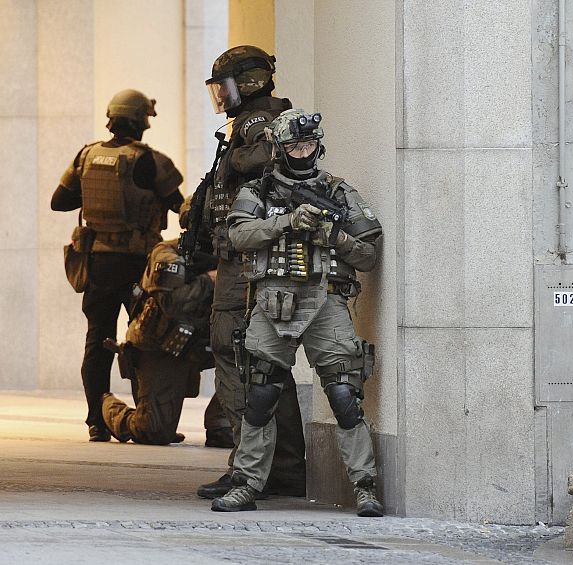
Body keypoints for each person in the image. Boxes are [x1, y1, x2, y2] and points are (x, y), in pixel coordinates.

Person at [212, 109, 384, 517]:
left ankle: (364, 486)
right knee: (260, 394)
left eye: (308, 145)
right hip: (273, 302)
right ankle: (247, 483)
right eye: (294, 146)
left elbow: (369, 255)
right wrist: (287, 222)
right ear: (280, 149)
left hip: (326, 301)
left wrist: (331, 235)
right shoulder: (259, 191)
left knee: (344, 393)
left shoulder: (338, 192)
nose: (303, 152)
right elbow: (238, 234)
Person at [195, 46, 306, 499]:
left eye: (227, 85)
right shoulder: (257, 123)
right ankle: (282, 467)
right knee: (263, 362)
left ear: (251, 81)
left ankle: (251, 469)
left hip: (246, 265)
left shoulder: (258, 123)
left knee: (237, 356)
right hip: (245, 259)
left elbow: (263, 161)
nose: (222, 95)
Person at [51, 89, 183, 442]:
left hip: (99, 266)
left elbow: (59, 202)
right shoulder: (150, 161)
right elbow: (180, 205)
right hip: (141, 267)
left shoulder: (87, 155)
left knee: (97, 341)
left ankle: (97, 420)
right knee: (145, 340)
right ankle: (147, 417)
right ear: (142, 123)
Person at [101, 238, 218, 445]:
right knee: (153, 431)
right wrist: (209, 280)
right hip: (162, 346)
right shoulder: (168, 252)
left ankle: (221, 424)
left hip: (204, 344)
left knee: (262, 362)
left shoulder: (239, 252)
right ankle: (110, 408)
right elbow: (171, 304)